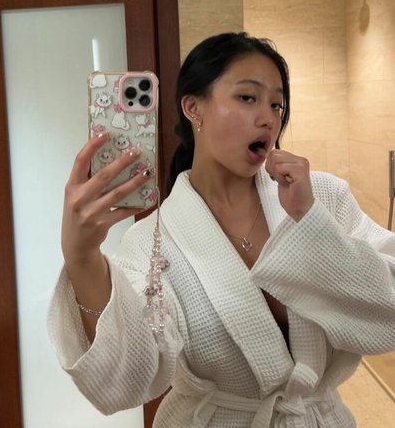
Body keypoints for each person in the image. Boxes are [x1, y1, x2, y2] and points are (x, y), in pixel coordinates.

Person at [48, 32, 395, 428]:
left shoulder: (321, 199)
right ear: (193, 108)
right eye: (248, 97)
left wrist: (309, 220)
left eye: (277, 104)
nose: (268, 118)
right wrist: (81, 258)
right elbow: (123, 382)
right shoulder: (152, 242)